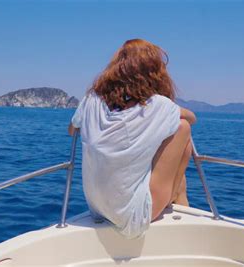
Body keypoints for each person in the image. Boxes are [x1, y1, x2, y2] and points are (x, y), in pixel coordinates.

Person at [68, 39, 196, 239]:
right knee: (182, 128)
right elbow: (192, 117)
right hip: (132, 217)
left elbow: (71, 129)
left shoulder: (92, 99)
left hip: (97, 209)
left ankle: (176, 196)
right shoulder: (159, 105)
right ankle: (179, 197)